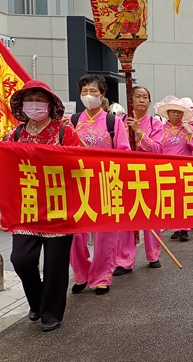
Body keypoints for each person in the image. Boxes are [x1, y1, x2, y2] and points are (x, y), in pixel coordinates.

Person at [0, 80, 82, 332]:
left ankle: (51, 313)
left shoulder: (64, 131)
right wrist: (3, 208)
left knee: (55, 264)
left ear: (49, 104)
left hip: (59, 205)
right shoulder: (14, 134)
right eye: (29, 99)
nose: (34, 104)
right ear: (22, 104)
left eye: (39, 99)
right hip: (26, 206)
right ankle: (36, 301)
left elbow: (82, 162)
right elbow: (4, 172)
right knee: (21, 259)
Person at [68, 74, 131, 296]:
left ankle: (102, 275)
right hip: (79, 184)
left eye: (93, 92)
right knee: (76, 234)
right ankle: (81, 274)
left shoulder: (113, 122)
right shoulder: (73, 122)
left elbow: (124, 154)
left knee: (105, 233)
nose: (88, 96)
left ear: (102, 95)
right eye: (84, 91)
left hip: (106, 183)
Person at [113, 86, 165, 275]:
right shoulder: (119, 121)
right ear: (131, 100)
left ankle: (154, 254)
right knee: (127, 216)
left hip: (148, 175)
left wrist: (139, 132)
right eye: (138, 97)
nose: (141, 100)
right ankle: (125, 260)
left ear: (149, 102)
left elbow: (158, 149)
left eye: (145, 97)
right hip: (125, 176)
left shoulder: (155, 123)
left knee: (151, 213)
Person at [155, 96, 193, 241]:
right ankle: (175, 227)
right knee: (171, 200)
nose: (176, 114)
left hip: (185, 169)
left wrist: (189, 131)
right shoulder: (161, 129)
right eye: (173, 112)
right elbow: (158, 149)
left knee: (184, 199)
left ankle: (185, 228)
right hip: (167, 170)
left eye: (179, 112)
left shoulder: (188, 128)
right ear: (168, 113)